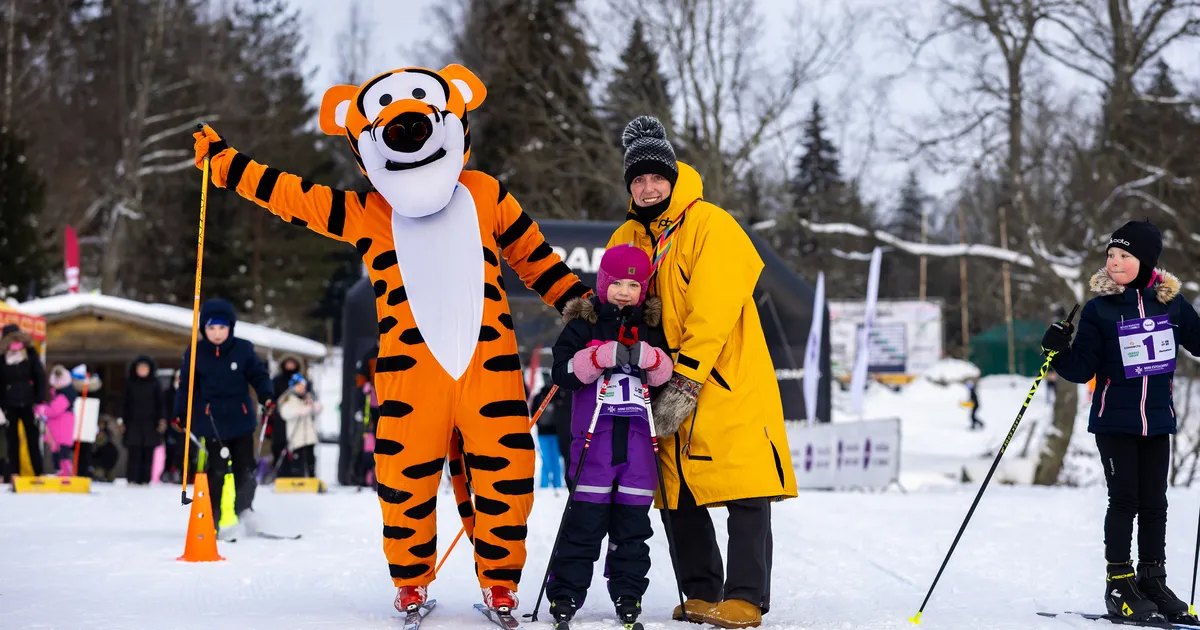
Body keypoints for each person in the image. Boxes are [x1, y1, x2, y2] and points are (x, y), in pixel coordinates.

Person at [192, 64, 591, 617]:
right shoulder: (367, 212)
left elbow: (537, 260)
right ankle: (411, 579)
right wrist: (227, 165)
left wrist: (587, 307)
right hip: (409, 377)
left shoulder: (485, 195)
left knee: (507, 478)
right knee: (404, 484)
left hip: (489, 369)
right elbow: (294, 197)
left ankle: (500, 580)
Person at [606, 116, 799, 628]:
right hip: (658, 379)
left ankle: (745, 596)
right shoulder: (627, 235)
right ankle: (700, 589)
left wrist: (687, 379)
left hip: (723, 378)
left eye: (655, 178)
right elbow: (615, 299)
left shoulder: (713, 223)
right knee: (675, 490)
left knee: (743, 487)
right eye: (637, 180)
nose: (647, 188)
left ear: (672, 177)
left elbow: (713, 309)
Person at [1041, 220, 1200, 624]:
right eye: (1111, 255)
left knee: (1155, 504)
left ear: (1145, 261)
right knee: (1125, 501)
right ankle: (1119, 583)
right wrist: (1056, 349)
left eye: (1124, 256)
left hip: (1158, 421)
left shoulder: (1173, 304)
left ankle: (1152, 581)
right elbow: (1080, 369)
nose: (1114, 262)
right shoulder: (1099, 309)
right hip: (1115, 421)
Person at [546, 243, 674, 627]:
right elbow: (562, 373)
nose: (624, 291)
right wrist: (598, 357)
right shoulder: (582, 325)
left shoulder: (652, 327)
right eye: (616, 283)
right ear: (603, 283)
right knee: (583, 526)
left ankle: (628, 593)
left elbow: (666, 375)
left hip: (638, 449)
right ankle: (566, 594)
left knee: (632, 530)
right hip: (593, 446)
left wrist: (652, 359)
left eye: (633, 286)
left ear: (644, 290)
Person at [173, 298, 276, 540]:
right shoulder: (195, 353)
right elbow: (186, 388)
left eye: (222, 328)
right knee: (216, 472)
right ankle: (213, 519)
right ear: (203, 329)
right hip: (211, 423)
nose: (217, 334)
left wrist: (267, 396)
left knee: (245, 470)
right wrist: (180, 413)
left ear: (230, 327)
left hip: (241, 421)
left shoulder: (243, 349)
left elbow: (259, 376)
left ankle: (244, 512)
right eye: (211, 328)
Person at [1, 323, 46, 480]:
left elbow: (39, 376)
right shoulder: (2, 356)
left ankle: (38, 472)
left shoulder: (30, 353)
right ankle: (14, 473)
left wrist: (40, 401)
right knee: (12, 440)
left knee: (32, 438)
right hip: (9, 403)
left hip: (29, 402)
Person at [122, 356, 164, 486]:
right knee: (134, 451)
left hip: (150, 423)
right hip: (133, 423)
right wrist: (121, 420)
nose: (142, 370)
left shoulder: (155, 384)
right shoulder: (130, 383)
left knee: (148, 452)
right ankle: (132, 479)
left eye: (145, 368)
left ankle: (145, 479)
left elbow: (161, 404)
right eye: (140, 368)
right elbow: (124, 403)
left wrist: (162, 420)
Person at [35, 365, 79, 475]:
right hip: (57, 430)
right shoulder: (61, 394)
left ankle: (65, 472)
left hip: (61, 430)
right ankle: (61, 471)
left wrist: (42, 409)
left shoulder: (65, 395)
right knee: (57, 452)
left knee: (62, 453)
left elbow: (54, 410)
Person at [277, 374, 321, 478]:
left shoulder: (308, 399)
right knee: (298, 461)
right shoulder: (289, 400)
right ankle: (297, 479)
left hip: (309, 437)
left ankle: (311, 478)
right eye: (299, 386)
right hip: (296, 438)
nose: (302, 389)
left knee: (311, 460)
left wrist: (312, 406)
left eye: (303, 387)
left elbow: (316, 410)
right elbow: (285, 413)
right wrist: (300, 411)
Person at [530, 381, 563, 489]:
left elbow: (533, 412)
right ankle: (556, 483)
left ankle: (544, 484)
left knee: (545, 458)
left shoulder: (539, 396)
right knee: (556, 459)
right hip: (555, 432)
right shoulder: (558, 395)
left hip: (543, 432)